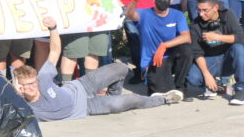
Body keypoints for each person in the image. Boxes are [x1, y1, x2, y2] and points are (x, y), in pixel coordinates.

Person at [15, 17, 182, 122]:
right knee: (132, 101)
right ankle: (163, 99)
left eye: (31, 83)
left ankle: (112, 96)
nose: (30, 87)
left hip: (81, 86)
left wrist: (53, 28)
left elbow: (55, 51)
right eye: (25, 85)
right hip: (85, 107)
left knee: (121, 68)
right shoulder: (22, 107)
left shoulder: (42, 78)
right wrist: (15, 88)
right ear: (19, 87)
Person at [123, 0, 191, 97]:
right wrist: (134, 1)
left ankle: (180, 86)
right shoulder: (144, 13)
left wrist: (164, 45)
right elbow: (129, 15)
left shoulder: (177, 15)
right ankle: (160, 80)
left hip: (171, 55)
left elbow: (186, 37)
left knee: (186, 49)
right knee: (159, 93)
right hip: (154, 60)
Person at [186, 0, 244, 104]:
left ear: (215, 7)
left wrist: (217, 37)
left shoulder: (228, 14)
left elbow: (241, 38)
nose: (201, 14)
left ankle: (240, 89)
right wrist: (206, 75)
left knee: (239, 49)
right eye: (199, 10)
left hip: (228, 57)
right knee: (193, 78)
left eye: (205, 10)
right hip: (211, 60)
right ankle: (215, 84)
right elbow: (197, 53)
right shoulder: (196, 24)